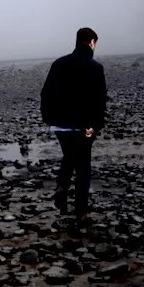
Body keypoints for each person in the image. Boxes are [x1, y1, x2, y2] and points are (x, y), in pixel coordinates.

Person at [41, 27, 107, 223]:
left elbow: (46, 93)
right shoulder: (95, 68)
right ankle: (81, 211)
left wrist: (48, 118)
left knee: (69, 155)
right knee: (83, 164)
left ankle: (62, 186)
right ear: (91, 43)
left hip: (61, 124)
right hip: (85, 125)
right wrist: (97, 125)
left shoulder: (59, 64)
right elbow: (99, 101)